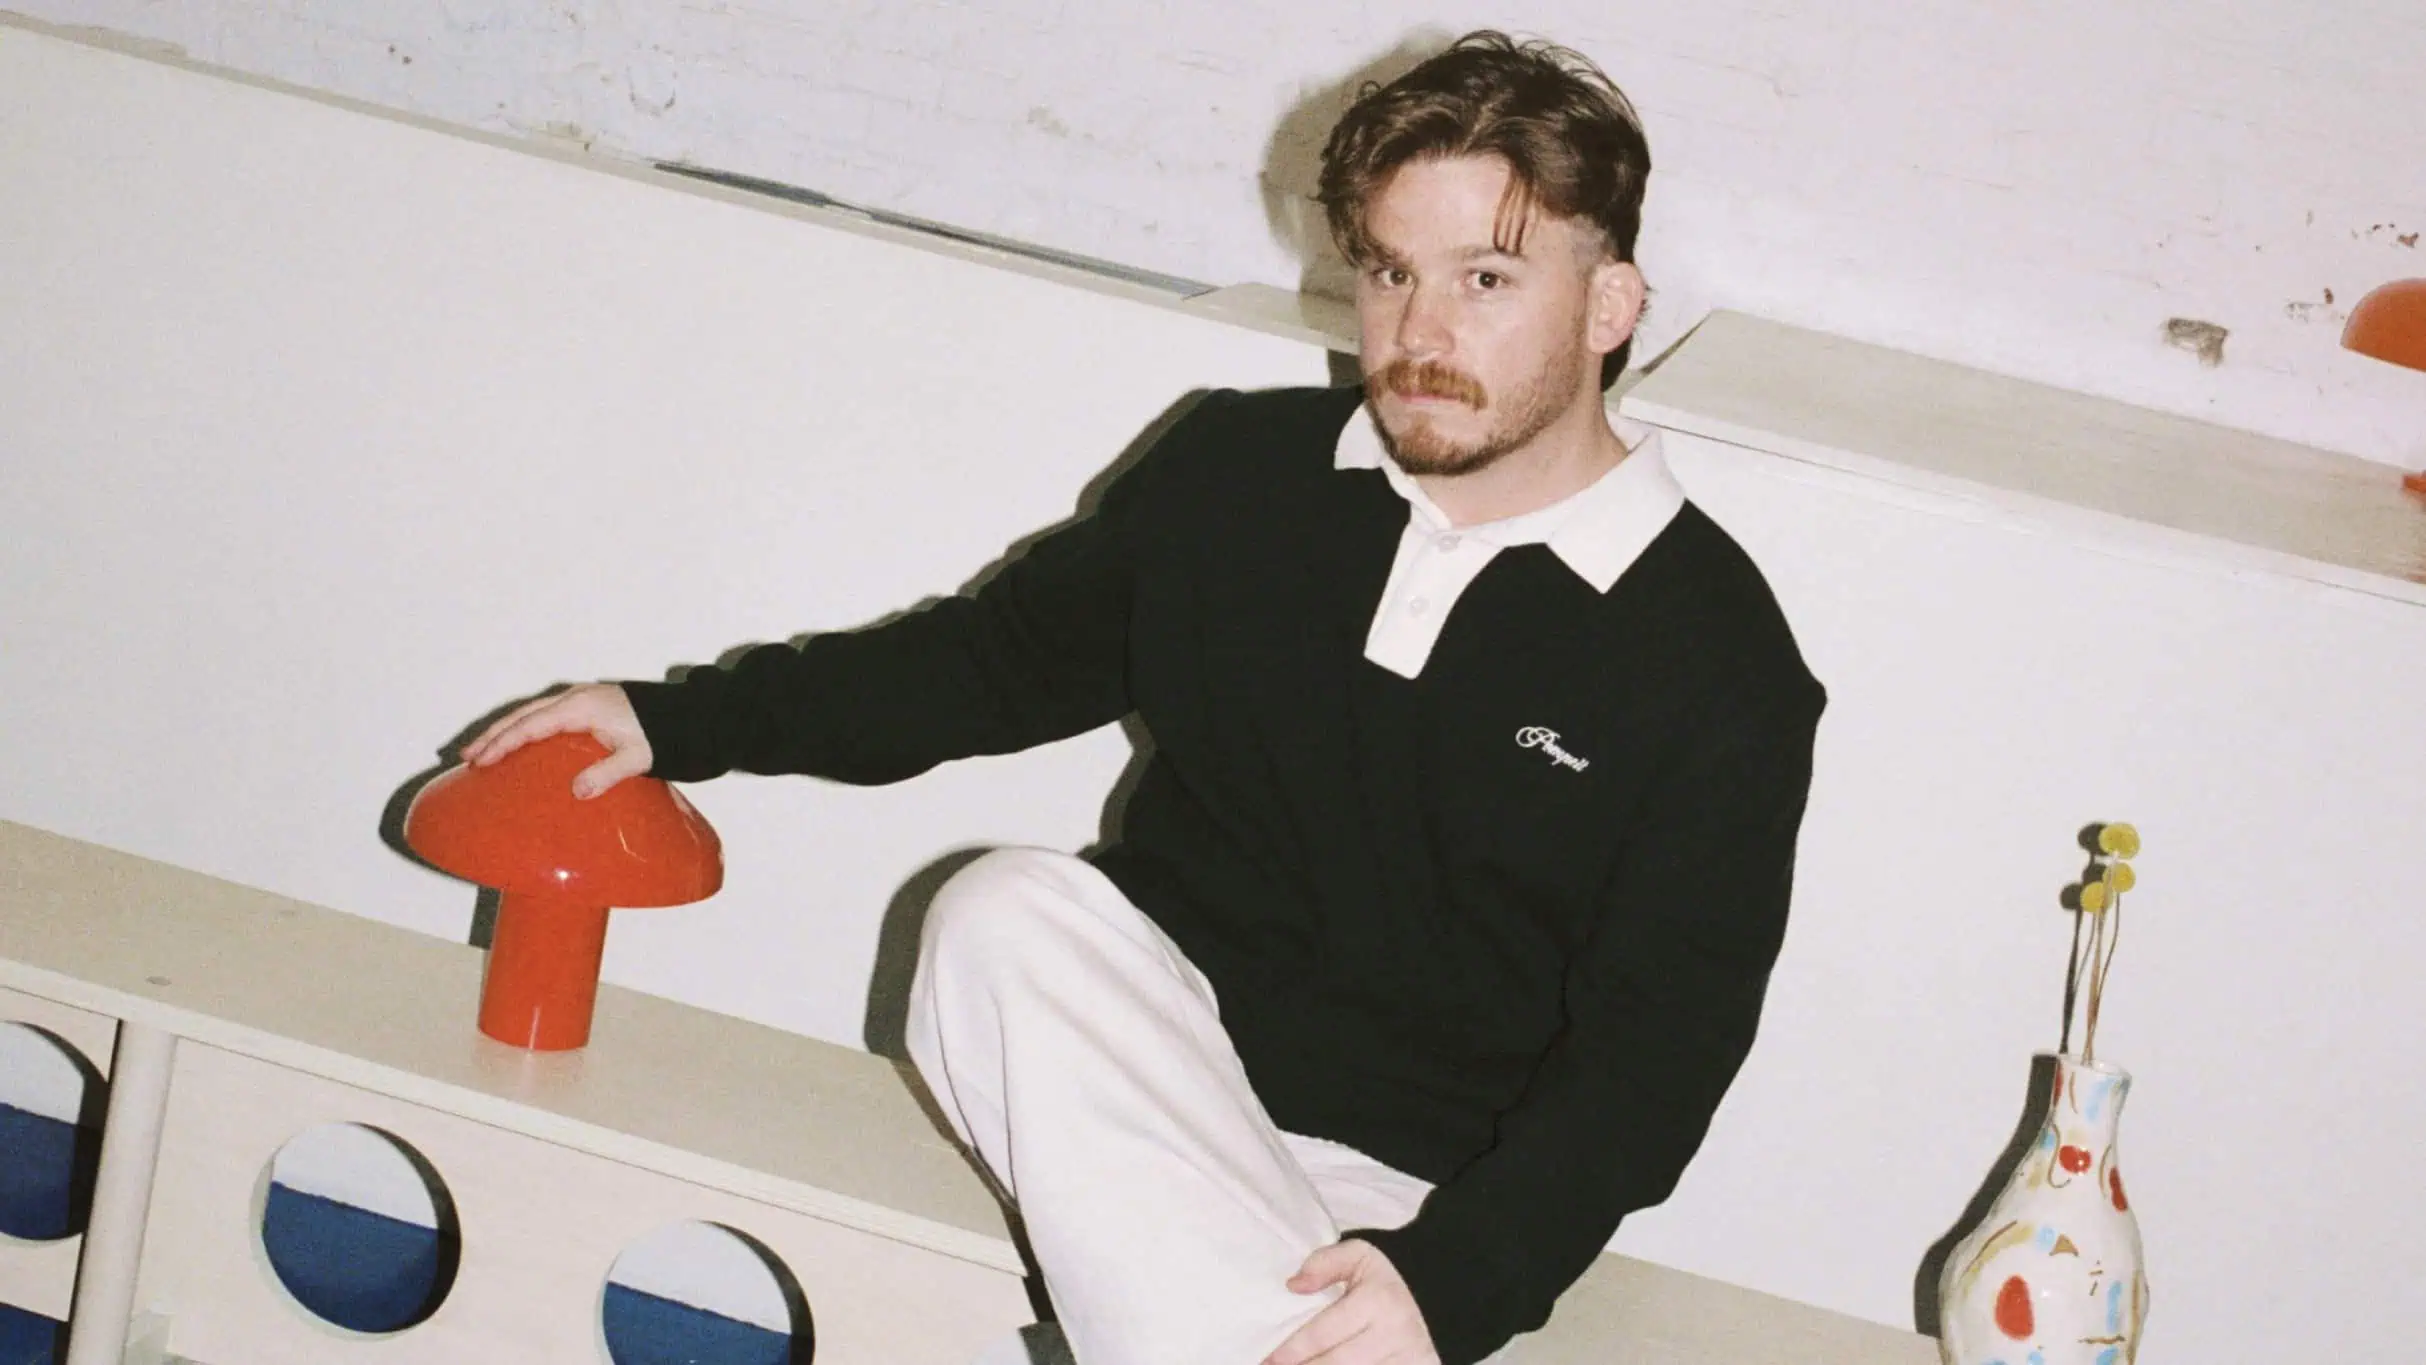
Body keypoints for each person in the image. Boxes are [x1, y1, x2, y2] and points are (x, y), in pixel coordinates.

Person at [464, 31, 1824, 1365]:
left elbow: (1656, 1056)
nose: (1420, 332)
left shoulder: (1714, 662)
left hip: (1413, 1195)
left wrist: (1453, 1282)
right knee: (999, 910)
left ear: (1608, 306)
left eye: (1485, 278)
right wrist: (678, 721)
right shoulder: (1241, 476)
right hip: (1139, 1084)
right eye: (1389, 272)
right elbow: (980, 667)